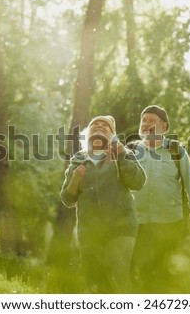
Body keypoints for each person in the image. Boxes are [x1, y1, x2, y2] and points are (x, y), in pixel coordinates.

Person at [60, 115, 146, 293]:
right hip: (90, 230)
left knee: (116, 275)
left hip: (121, 226)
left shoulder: (122, 153)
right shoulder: (78, 159)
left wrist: (121, 154)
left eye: (105, 126)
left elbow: (137, 182)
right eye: (95, 125)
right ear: (87, 134)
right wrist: (76, 178)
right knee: (94, 282)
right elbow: (67, 199)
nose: (99, 126)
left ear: (112, 134)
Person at [129, 105, 190, 291]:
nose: (146, 124)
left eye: (152, 120)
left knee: (165, 274)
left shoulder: (175, 150)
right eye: (144, 120)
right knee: (136, 274)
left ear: (164, 127)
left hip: (168, 222)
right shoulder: (130, 150)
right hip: (135, 223)